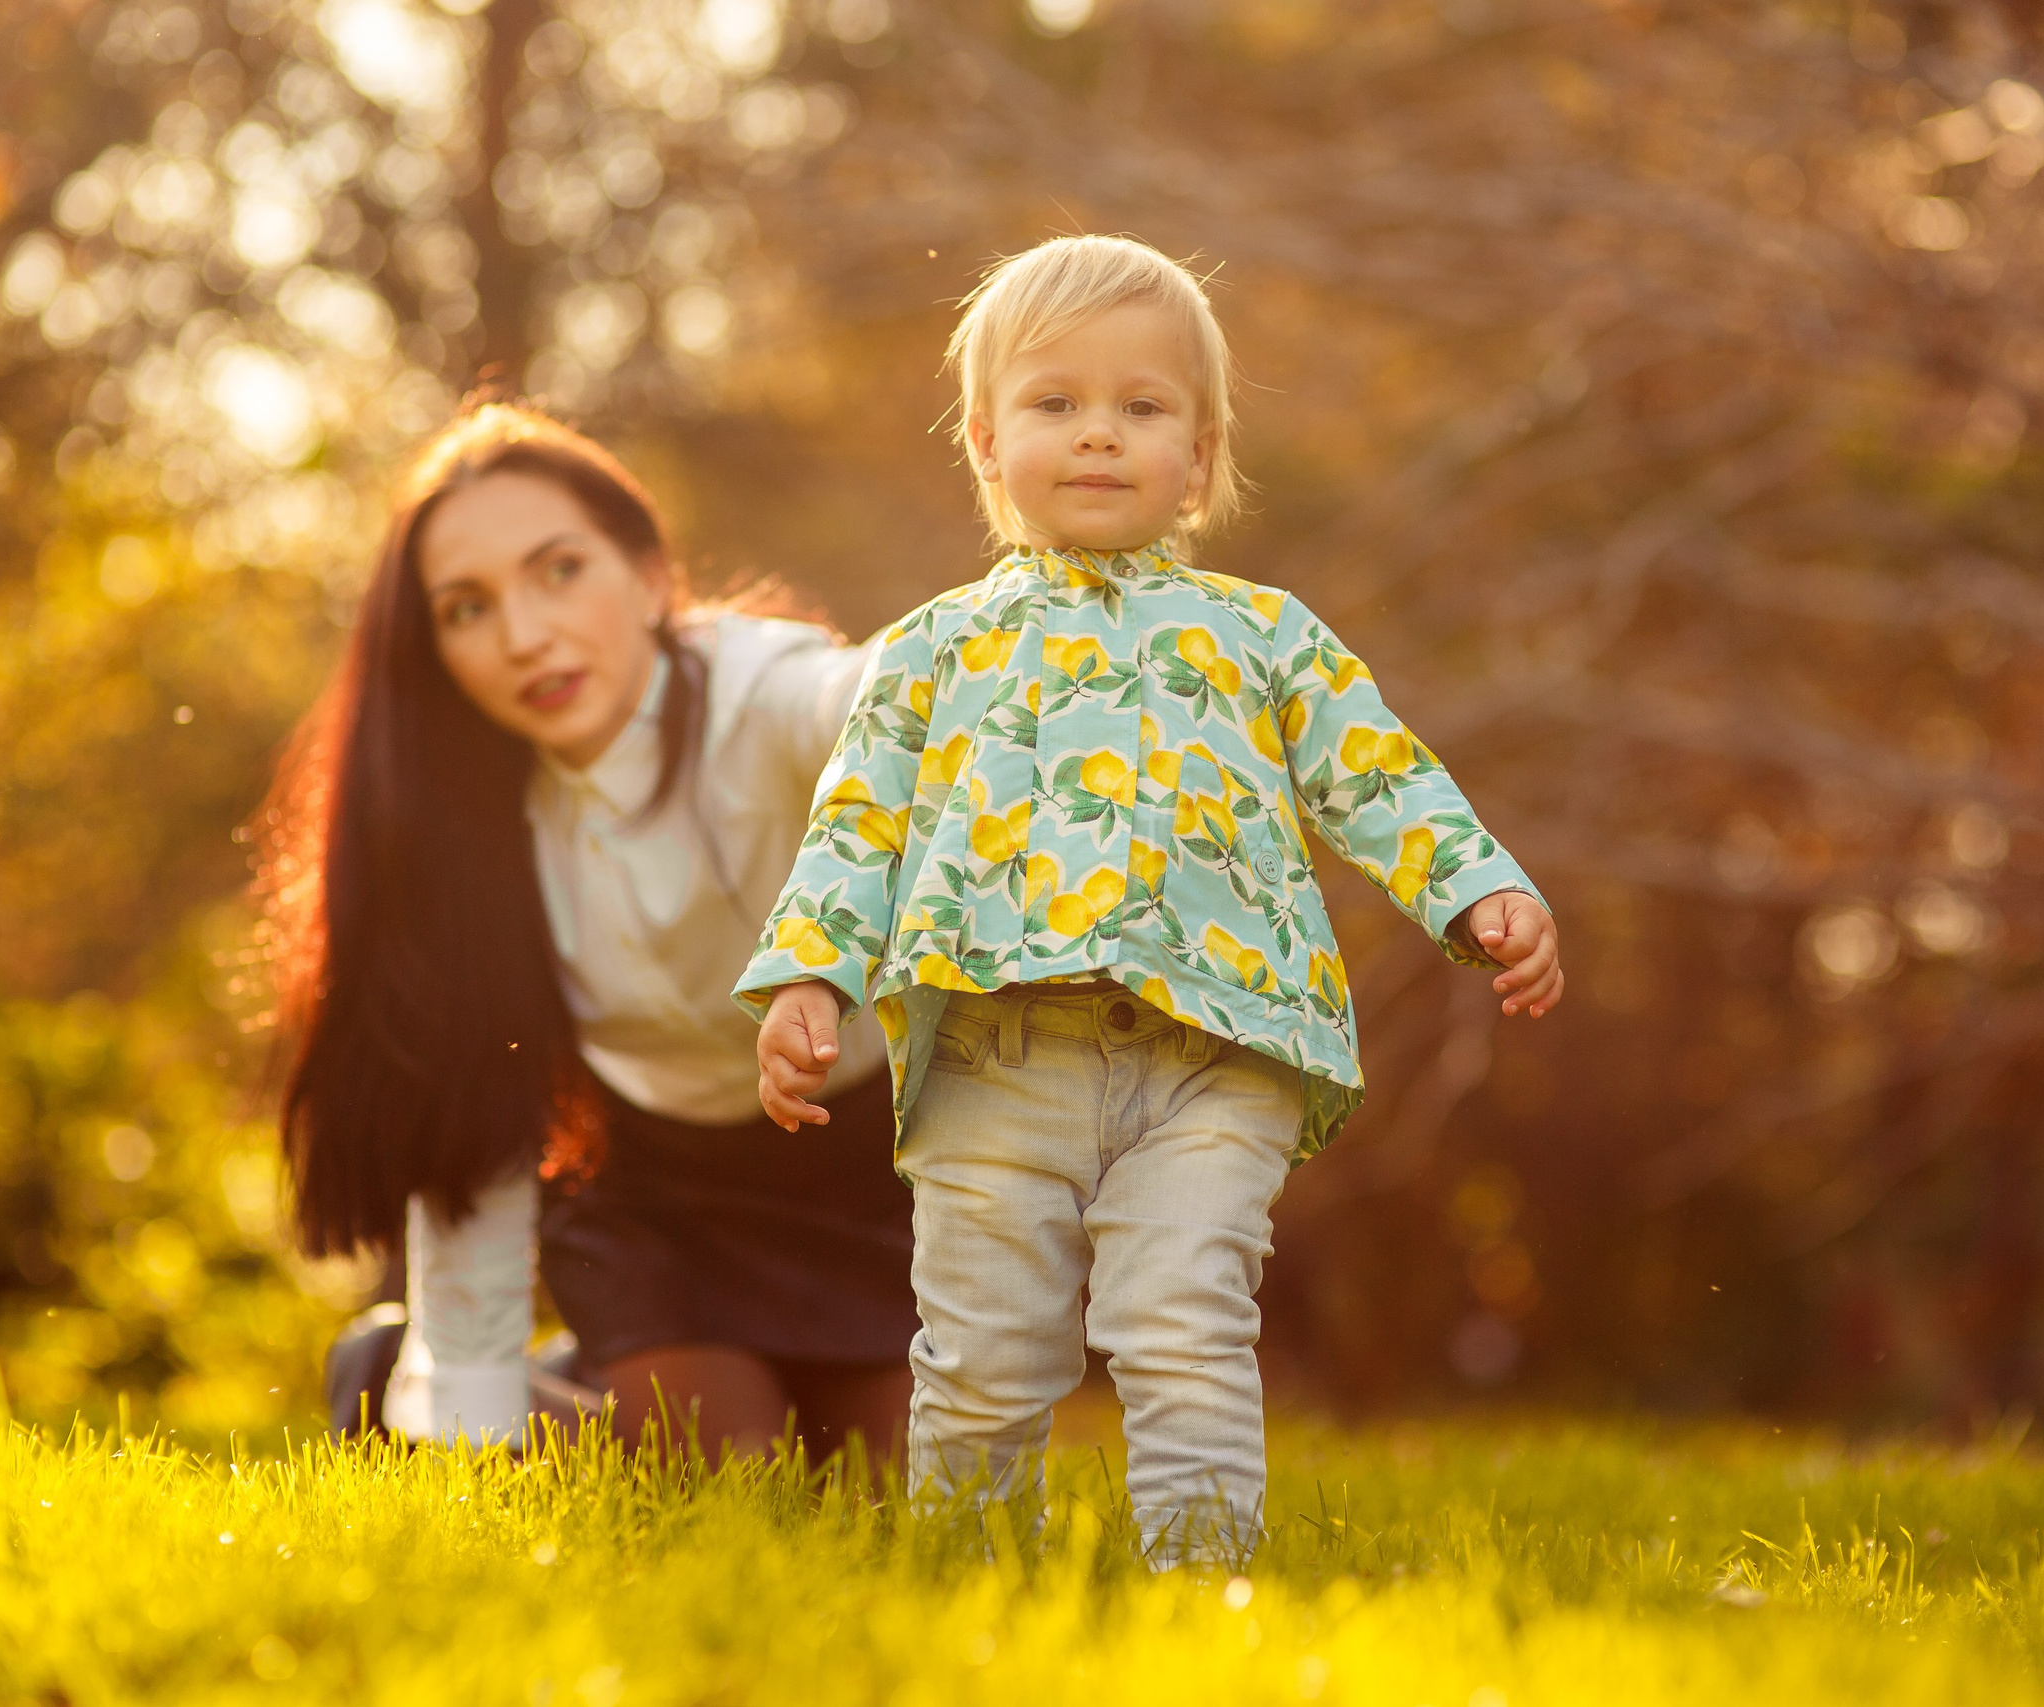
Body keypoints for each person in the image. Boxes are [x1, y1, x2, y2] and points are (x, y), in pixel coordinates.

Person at [736, 236, 1564, 1554]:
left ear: (1203, 449)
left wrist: (1479, 889)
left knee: (1183, 1325)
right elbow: (859, 818)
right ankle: (969, 1582)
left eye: (1142, 405)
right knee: (984, 1351)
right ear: (986, 437)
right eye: (1055, 402)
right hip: (997, 1058)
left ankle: (1201, 1589)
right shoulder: (938, 645)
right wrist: (809, 972)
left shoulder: (1262, 631)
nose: (1099, 435)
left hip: (1212, 1051)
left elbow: (1376, 771)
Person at [262, 400, 914, 1461]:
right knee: (735, 1482)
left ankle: (572, 1378)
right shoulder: (463, 828)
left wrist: (1032, 639)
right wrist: (459, 1412)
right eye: (466, 609)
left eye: (558, 569)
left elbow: (876, 700)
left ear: (651, 576)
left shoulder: (763, 695)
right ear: (437, 652)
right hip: (653, 1199)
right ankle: (392, 1378)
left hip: (870, 1170)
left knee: (903, 1495)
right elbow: (470, 1130)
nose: (524, 635)